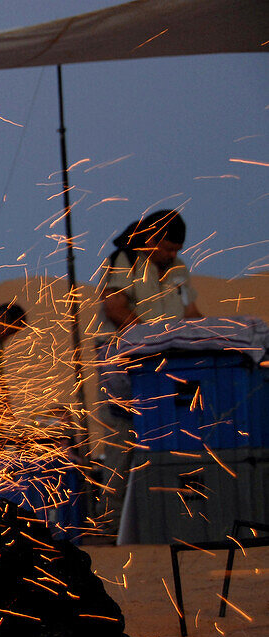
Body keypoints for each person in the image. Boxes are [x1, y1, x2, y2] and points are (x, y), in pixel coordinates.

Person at [93, 209, 203, 539]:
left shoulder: (177, 268)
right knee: (124, 443)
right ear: (151, 239)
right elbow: (115, 308)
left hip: (169, 366)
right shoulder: (125, 259)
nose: (172, 255)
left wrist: (211, 338)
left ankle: (163, 523)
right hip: (126, 367)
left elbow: (192, 312)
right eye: (167, 248)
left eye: (176, 250)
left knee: (172, 441)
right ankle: (108, 526)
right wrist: (149, 342)